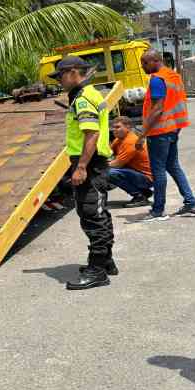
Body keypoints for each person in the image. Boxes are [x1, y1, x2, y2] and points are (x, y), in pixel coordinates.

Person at [48, 55, 117, 290]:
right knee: (98, 213)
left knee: (92, 215)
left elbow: (92, 134)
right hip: (94, 163)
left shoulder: (84, 98)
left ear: (74, 72)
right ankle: (104, 261)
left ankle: (98, 271)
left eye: (60, 76)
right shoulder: (88, 94)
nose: (59, 81)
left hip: (90, 164)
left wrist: (81, 167)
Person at [135, 49, 195, 221]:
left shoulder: (157, 79)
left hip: (159, 132)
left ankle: (158, 210)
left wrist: (142, 134)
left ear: (155, 60)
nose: (142, 66)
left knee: (158, 172)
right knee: (173, 167)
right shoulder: (173, 76)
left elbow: (157, 109)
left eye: (144, 63)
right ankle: (191, 204)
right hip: (173, 129)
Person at [108, 116, 153, 207]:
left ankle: (139, 197)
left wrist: (98, 167)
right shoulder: (118, 139)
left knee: (109, 173)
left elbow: (117, 164)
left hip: (146, 178)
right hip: (136, 173)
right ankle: (144, 192)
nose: (114, 130)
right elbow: (108, 153)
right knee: (108, 170)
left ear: (128, 127)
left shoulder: (130, 141)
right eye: (113, 128)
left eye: (118, 127)